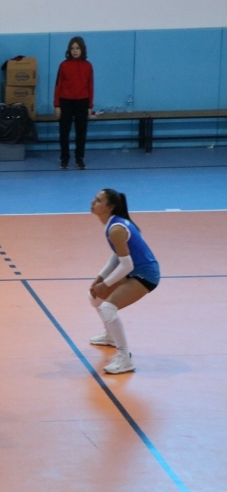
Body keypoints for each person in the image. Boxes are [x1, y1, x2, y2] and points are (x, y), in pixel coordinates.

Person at [87, 189, 159, 374]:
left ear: (109, 207)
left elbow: (126, 265)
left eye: (98, 200)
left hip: (145, 274)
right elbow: (117, 255)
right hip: (135, 270)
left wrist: (106, 284)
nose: (93, 202)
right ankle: (111, 336)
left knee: (107, 307)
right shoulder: (112, 224)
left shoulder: (116, 229)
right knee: (95, 297)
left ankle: (125, 359)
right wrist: (100, 278)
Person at [54, 36, 95, 170]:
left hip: (82, 101)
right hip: (65, 101)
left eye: (77, 48)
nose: (75, 51)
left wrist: (89, 106)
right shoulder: (63, 65)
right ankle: (64, 158)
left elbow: (90, 86)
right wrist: (57, 105)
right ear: (69, 50)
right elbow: (58, 85)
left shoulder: (88, 66)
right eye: (72, 48)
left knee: (81, 131)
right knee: (64, 131)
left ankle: (79, 158)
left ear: (82, 49)